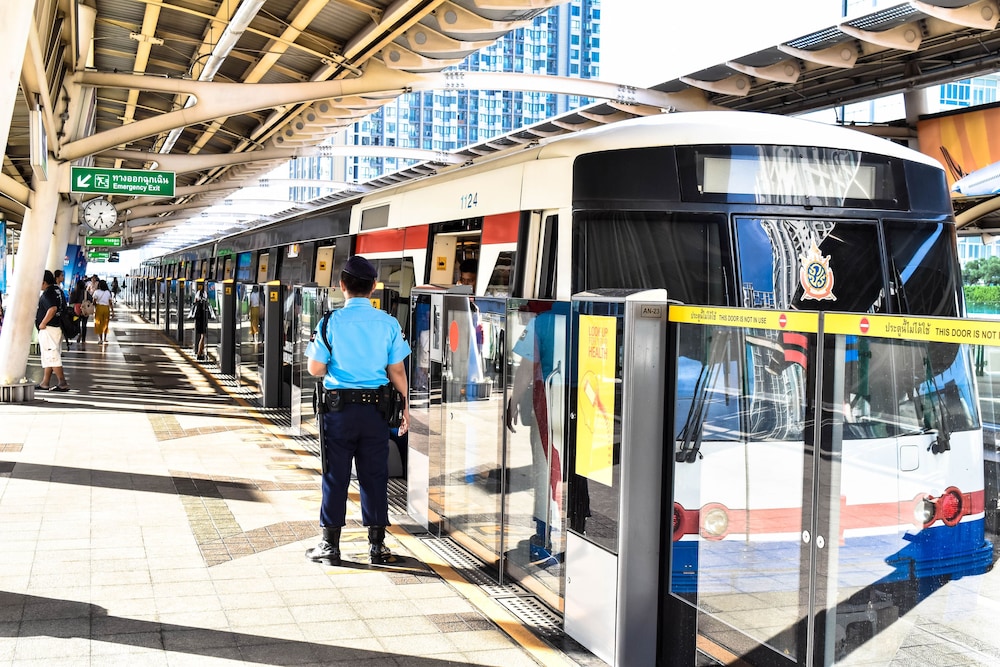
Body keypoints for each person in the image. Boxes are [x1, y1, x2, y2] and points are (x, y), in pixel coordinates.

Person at [304, 256, 410, 566]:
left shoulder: (330, 322)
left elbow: (315, 368)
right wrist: (406, 406)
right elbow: (397, 372)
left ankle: (330, 546)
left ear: (342, 286)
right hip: (377, 412)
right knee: (374, 476)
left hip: (338, 413)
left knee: (335, 476)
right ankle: (377, 548)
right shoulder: (389, 322)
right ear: (374, 288)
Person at [35, 270, 70, 391]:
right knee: (49, 355)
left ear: (44, 282)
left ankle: (62, 383)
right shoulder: (58, 290)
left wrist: (42, 323)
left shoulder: (47, 293)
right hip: (57, 327)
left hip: (49, 329)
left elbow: (52, 309)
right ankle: (45, 382)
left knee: (52, 355)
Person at [69, 279, 92, 347]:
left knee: (77, 323)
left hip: (76, 311)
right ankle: (83, 340)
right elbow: (90, 300)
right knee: (84, 324)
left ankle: (79, 333)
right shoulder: (86, 293)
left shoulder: (74, 293)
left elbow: (70, 302)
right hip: (85, 311)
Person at [92, 279, 114, 344]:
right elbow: (110, 303)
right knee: (105, 323)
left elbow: (94, 301)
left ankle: (100, 339)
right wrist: (113, 311)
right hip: (106, 309)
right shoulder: (108, 292)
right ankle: (105, 338)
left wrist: (95, 306)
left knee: (99, 323)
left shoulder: (97, 292)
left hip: (99, 308)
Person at [54, 270, 71, 350]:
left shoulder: (60, 286)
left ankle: (59, 351)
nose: (63, 277)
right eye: (62, 276)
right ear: (57, 277)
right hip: (57, 316)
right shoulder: (55, 288)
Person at [191, 284, 210, 360]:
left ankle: (200, 352)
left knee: (202, 336)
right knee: (203, 336)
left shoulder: (198, 293)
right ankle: (199, 353)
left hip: (198, 318)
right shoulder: (204, 294)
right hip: (202, 318)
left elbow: (194, 302)